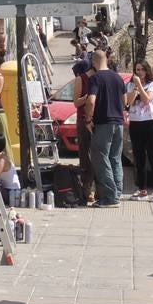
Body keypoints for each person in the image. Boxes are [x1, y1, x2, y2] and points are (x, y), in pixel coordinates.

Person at [86, 49, 127, 207]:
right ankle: (117, 193)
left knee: (100, 157)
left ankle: (110, 197)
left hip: (104, 123)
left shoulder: (96, 78)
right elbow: (124, 100)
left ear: (94, 62)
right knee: (115, 158)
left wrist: (89, 119)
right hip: (118, 122)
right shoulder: (117, 77)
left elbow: (90, 101)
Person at [126, 62, 153, 201]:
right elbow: (128, 102)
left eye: (142, 69)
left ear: (146, 71)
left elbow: (147, 99)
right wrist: (134, 91)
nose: (139, 72)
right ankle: (142, 189)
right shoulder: (130, 85)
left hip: (150, 122)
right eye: (137, 70)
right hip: (135, 122)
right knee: (138, 157)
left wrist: (140, 86)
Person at [71, 58, 97, 204]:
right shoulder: (81, 79)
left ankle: (98, 189)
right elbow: (76, 102)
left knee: (98, 156)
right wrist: (88, 97)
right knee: (85, 156)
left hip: (98, 120)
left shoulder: (101, 77)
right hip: (83, 120)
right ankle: (88, 190)